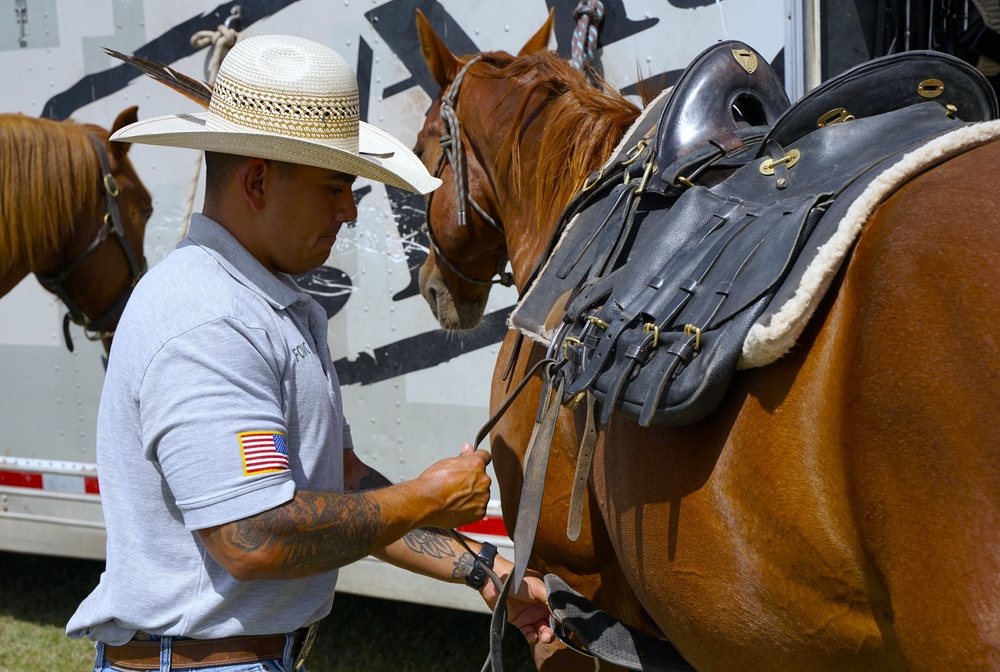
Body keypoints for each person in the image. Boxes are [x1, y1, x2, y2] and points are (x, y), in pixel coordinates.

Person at [66, 34, 554, 672]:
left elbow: (340, 484)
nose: (350, 211)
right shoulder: (206, 319)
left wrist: (484, 569)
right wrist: (428, 495)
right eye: (334, 187)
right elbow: (255, 537)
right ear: (258, 179)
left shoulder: (270, 305)